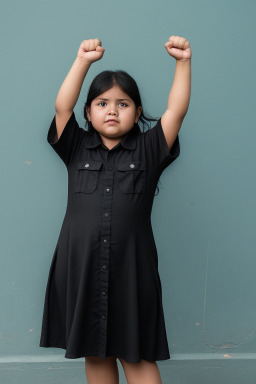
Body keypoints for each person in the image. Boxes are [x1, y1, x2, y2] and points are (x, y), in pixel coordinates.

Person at [39, 37, 191, 384]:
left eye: (123, 104)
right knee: (95, 351)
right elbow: (62, 107)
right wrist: (82, 61)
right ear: (88, 112)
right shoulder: (75, 147)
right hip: (81, 265)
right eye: (102, 103)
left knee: (135, 353)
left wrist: (183, 62)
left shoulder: (151, 149)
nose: (112, 110)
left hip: (131, 268)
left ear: (137, 113)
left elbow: (176, 110)